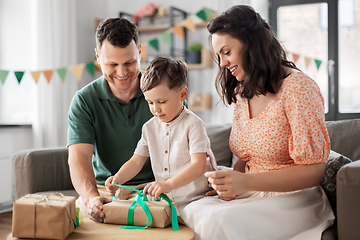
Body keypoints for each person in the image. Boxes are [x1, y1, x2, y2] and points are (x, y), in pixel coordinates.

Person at [180, 5, 334, 240]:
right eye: (218, 55)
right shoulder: (244, 91)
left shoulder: (299, 88)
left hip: (295, 199)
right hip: (254, 193)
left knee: (214, 220)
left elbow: (314, 171)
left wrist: (244, 182)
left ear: (252, 44)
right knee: (191, 209)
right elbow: (246, 156)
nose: (222, 63)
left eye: (227, 52)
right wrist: (227, 189)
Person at [67, 18, 156, 223]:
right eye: (112, 64)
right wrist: (91, 198)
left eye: (129, 63)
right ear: (98, 57)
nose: (122, 73)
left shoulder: (165, 91)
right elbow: (79, 158)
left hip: (156, 188)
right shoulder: (84, 100)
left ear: (140, 52)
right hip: (104, 192)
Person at [105, 56, 217, 214]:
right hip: (165, 201)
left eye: (162, 102)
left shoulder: (194, 124)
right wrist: (118, 179)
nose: (155, 109)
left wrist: (168, 184)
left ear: (182, 94)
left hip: (196, 200)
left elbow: (198, 166)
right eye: (150, 102)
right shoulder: (149, 128)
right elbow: (136, 161)